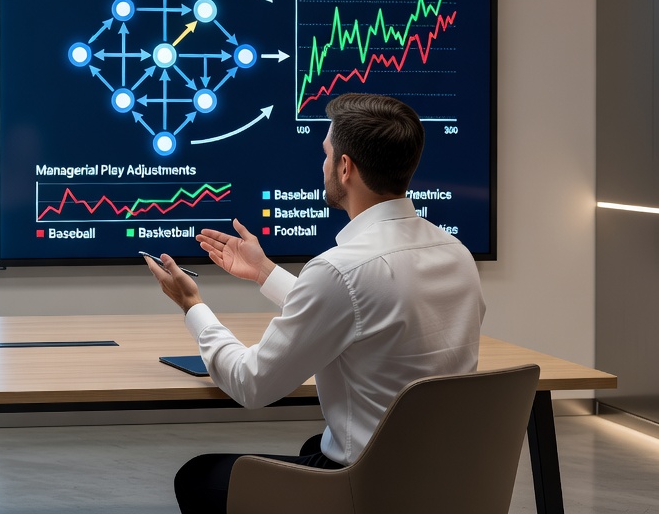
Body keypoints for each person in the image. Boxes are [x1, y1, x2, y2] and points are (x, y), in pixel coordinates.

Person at [143, 92, 485, 514]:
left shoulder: (340, 270)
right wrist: (265, 272)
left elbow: (252, 384)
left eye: (326, 152)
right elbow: (364, 311)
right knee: (314, 443)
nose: (323, 163)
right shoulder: (456, 253)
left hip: (373, 488)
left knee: (198, 477)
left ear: (345, 167)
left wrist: (193, 305)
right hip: (448, 479)